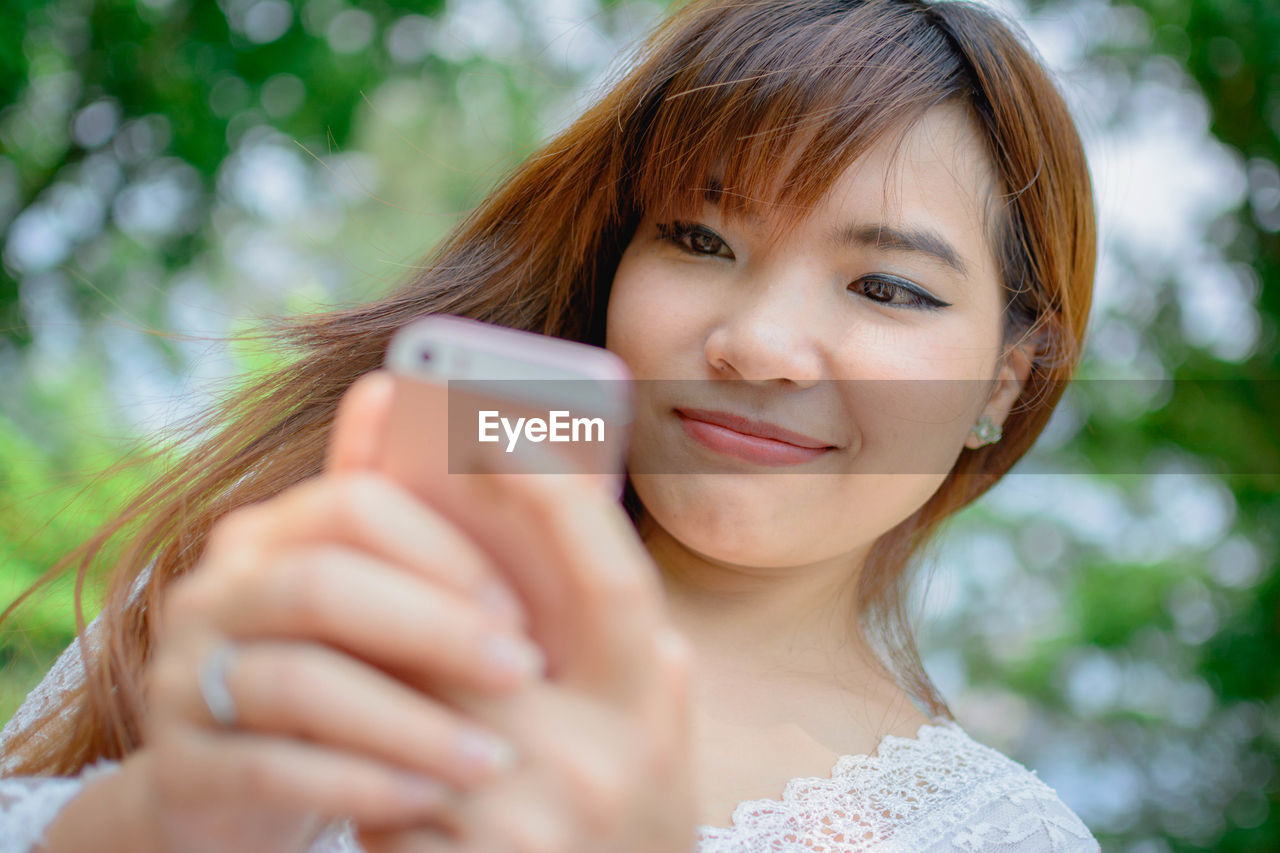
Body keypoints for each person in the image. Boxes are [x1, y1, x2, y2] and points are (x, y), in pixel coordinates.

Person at [0, 0, 1103, 850]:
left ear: (1003, 382)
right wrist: (164, 817)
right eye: (700, 240)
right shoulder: (338, 553)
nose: (755, 344)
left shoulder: (997, 834)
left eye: (886, 288)